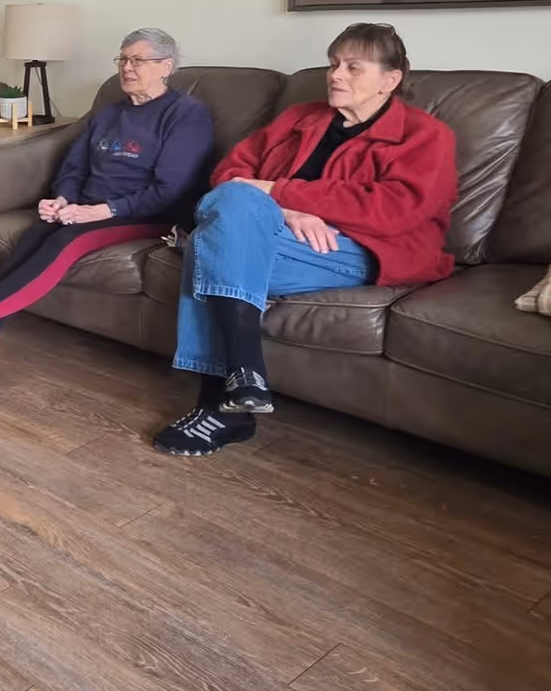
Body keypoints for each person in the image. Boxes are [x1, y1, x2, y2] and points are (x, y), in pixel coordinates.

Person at [153, 23, 458, 457]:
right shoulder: (300, 118)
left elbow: (394, 210)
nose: (336, 75)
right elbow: (229, 176)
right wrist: (287, 211)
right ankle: (241, 386)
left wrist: (277, 192)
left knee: (211, 242)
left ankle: (221, 400)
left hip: (356, 250)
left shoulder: (425, 136)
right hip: (279, 235)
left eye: (354, 67)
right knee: (224, 222)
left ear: (390, 80)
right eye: (334, 64)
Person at [0, 28, 213, 382]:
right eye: (123, 59)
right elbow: (74, 165)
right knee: (33, 237)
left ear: (166, 67)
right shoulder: (109, 113)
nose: (127, 68)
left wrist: (102, 211)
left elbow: (171, 189)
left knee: (65, 241)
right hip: (86, 206)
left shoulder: (186, 115)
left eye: (138, 60)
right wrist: (62, 198)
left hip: (148, 213)